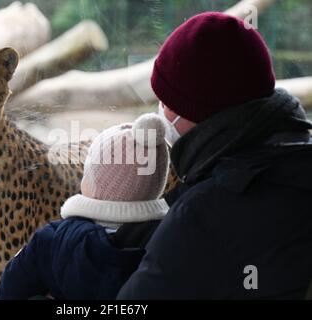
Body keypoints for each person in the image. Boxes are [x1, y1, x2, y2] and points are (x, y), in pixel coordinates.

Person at [117, 12, 312, 299]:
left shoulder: (204, 213)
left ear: (197, 113)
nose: (160, 109)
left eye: (166, 100)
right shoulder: (291, 165)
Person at [0, 114, 170, 299]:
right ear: (157, 184)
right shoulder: (171, 240)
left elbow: (7, 293)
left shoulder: (51, 239)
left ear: (93, 181)